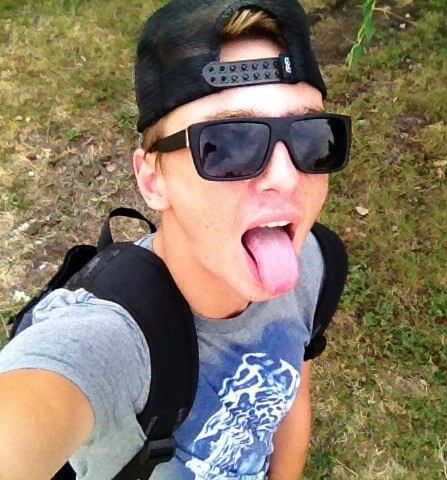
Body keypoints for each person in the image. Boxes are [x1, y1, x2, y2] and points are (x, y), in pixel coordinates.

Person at [0, 1, 351, 479]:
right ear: (152, 179)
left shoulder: (313, 265)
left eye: (312, 137)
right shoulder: (104, 345)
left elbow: (291, 398)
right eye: (228, 144)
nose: (286, 177)